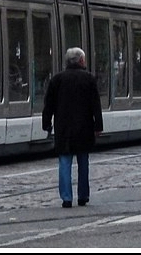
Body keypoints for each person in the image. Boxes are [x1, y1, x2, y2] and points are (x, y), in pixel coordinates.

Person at [42, 47, 103, 208]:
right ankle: (83, 195)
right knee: (83, 162)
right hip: (84, 127)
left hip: (63, 128)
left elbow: (49, 105)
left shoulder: (57, 80)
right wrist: (98, 126)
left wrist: (46, 123)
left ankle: (66, 198)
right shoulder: (89, 79)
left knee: (64, 161)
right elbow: (96, 105)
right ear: (81, 60)